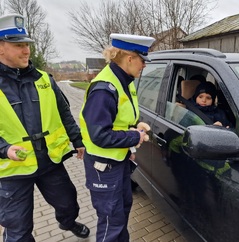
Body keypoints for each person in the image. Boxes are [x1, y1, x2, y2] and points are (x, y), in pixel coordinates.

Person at [0, 14, 90, 242]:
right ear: (1, 48)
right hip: (13, 169)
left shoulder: (44, 79)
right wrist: (4, 148)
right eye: (18, 45)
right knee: (18, 229)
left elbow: (64, 112)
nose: (26, 51)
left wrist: (77, 140)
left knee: (69, 203)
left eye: (27, 45)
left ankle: (68, 222)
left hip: (49, 161)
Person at [79, 33, 155, 241]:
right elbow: (100, 135)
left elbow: (116, 119)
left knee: (121, 212)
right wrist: (134, 136)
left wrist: (133, 125)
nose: (144, 66)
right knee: (111, 220)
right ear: (129, 58)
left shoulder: (124, 80)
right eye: (142, 60)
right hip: (104, 167)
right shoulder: (104, 88)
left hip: (117, 162)